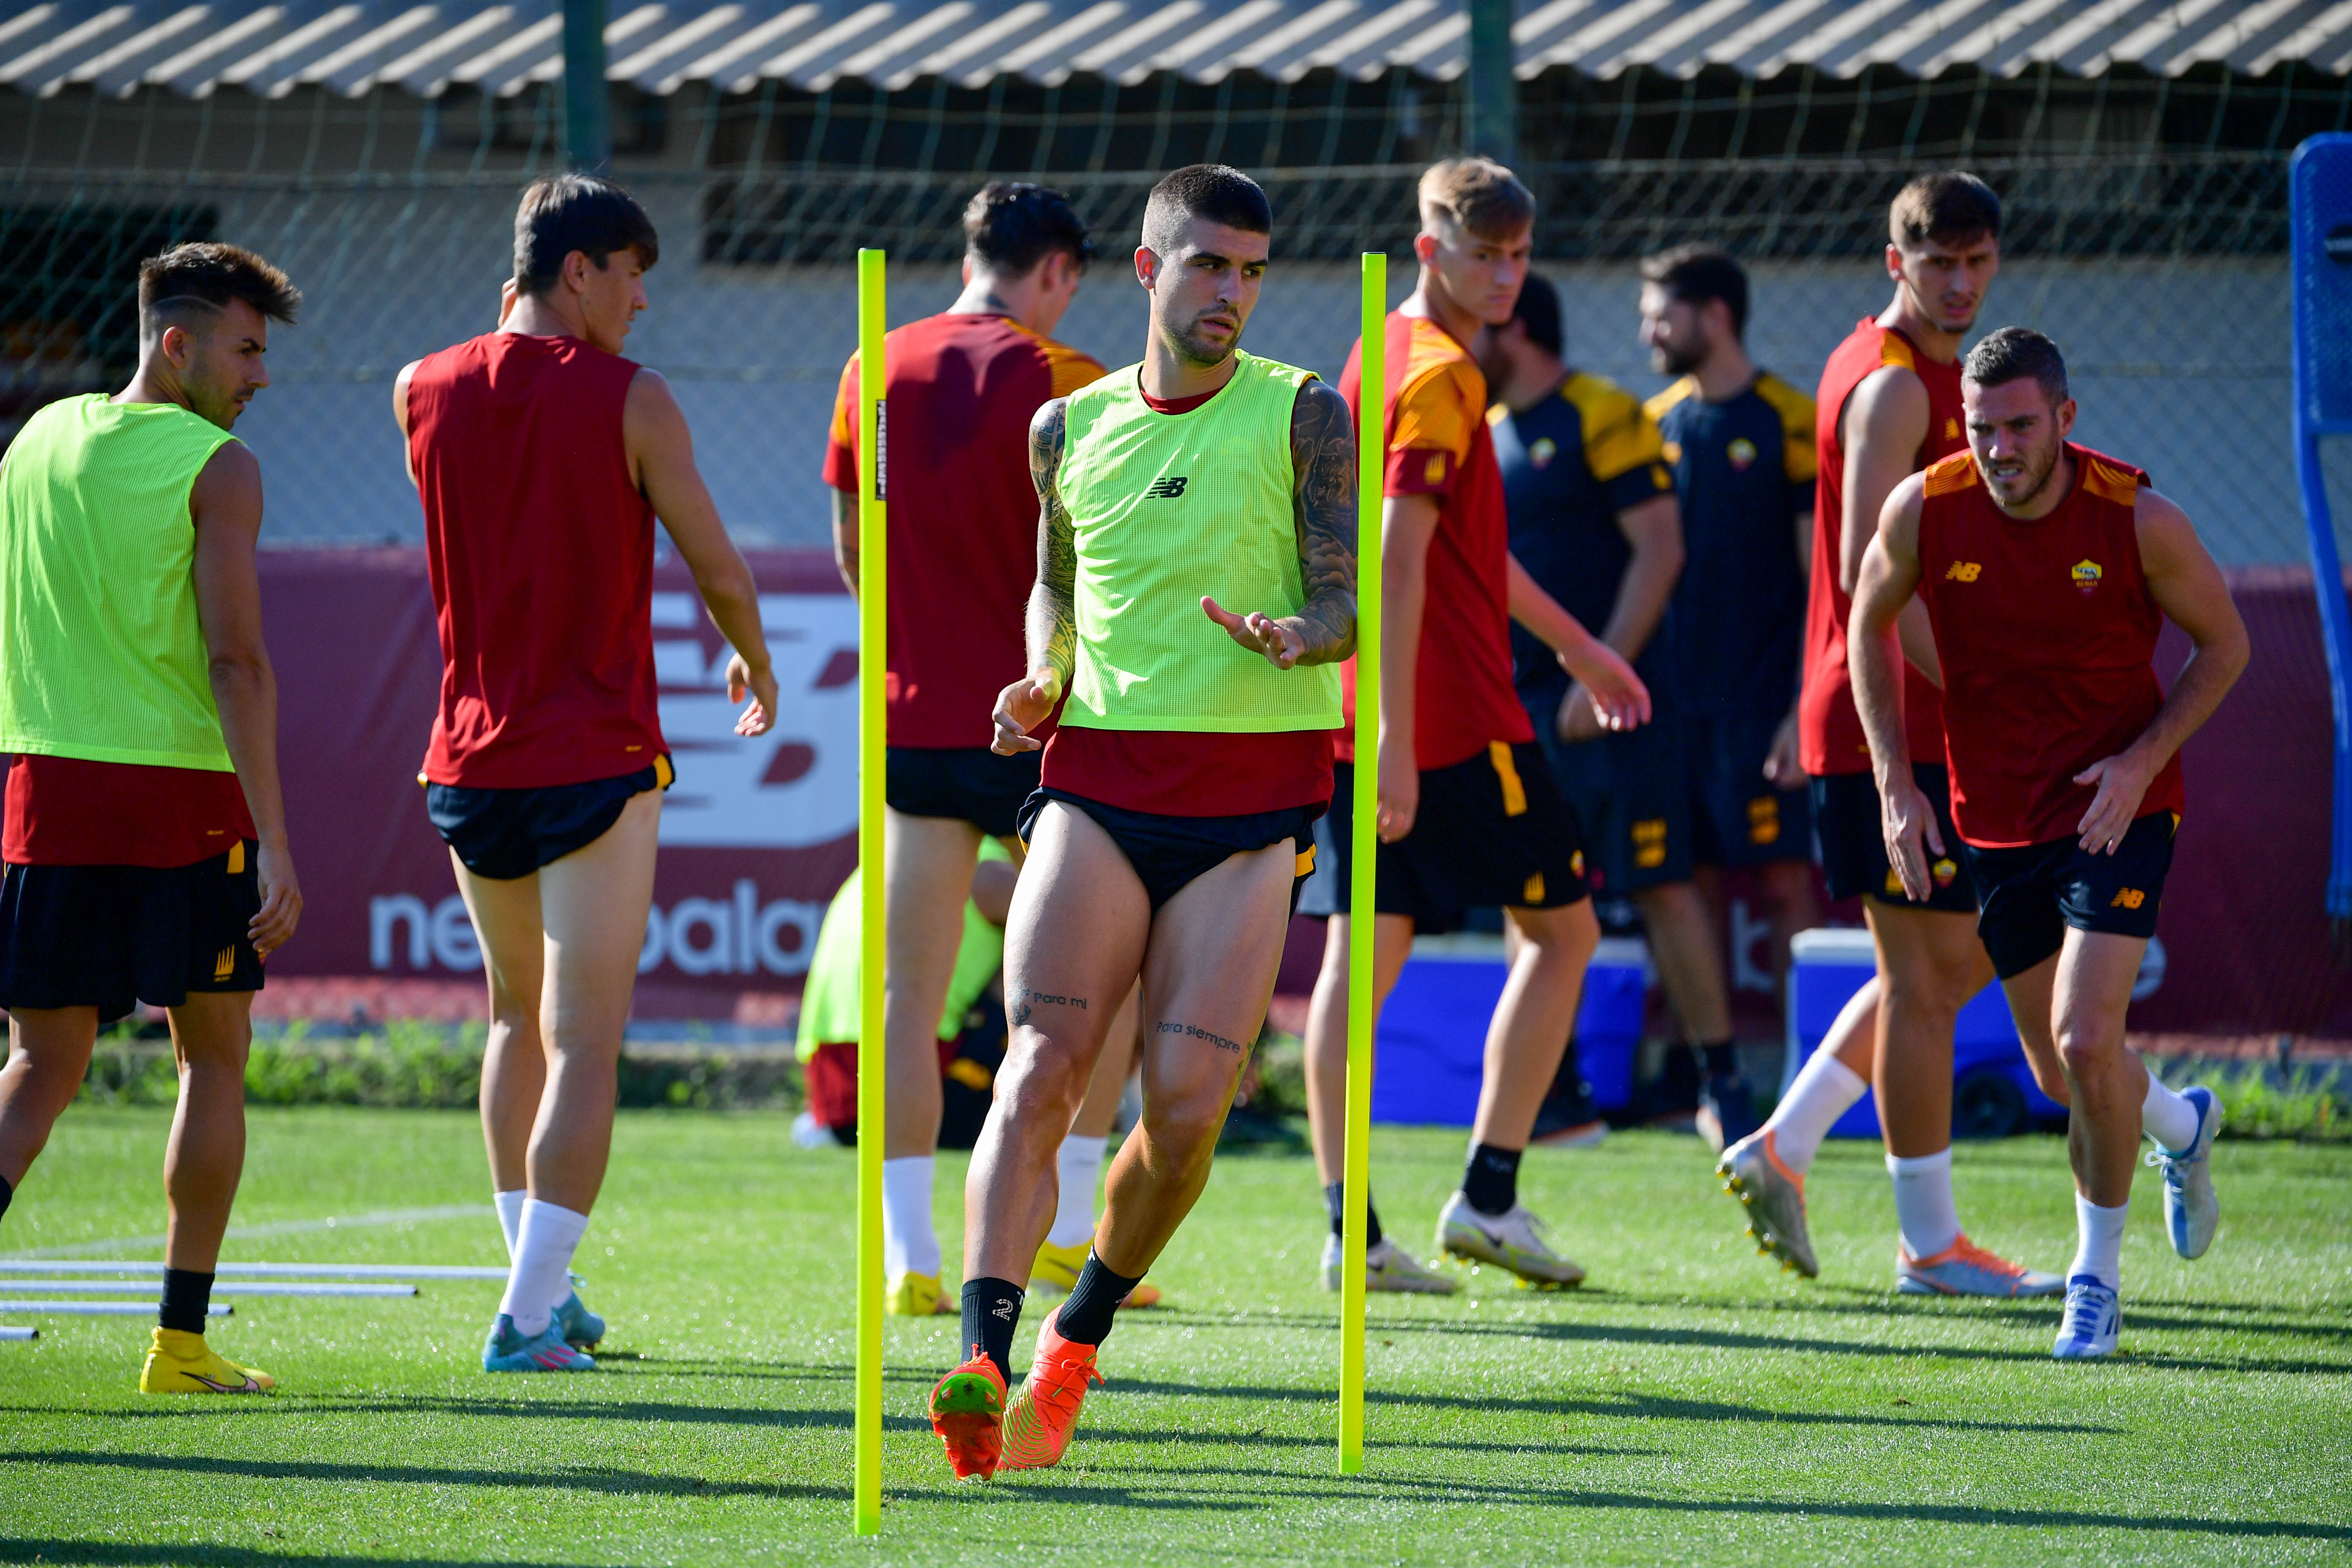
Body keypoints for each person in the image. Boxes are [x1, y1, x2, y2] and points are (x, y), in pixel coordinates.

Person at [927, 163, 1355, 1480]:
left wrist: (1301, 636)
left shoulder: (1305, 417)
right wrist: (1042, 673)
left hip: (1249, 801)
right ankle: (981, 1363)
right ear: (1149, 270)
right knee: (1039, 1069)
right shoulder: (1068, 427)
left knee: (1181, 1115)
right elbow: (1053, 591)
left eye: (1252, 270)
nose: (1232, 291)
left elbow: (1344, 605)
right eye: (1210, 264)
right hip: (1098, 782)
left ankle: (1076, 1337)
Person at [394, 175, 778, 1373]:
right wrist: (756, 662)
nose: (644, 299)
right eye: (630, 273)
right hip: (593, 754)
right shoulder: (632, 398)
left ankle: (540, 1288)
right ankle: (524, 1314)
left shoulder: (418, 386)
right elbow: (716, 564)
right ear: (577, 274)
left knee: (516, 1023)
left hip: (466, 756)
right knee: (588, 1039)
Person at [1851, 326, 2243, 1358]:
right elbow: (1867, 619)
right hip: (1994, 816)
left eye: (2021, 425)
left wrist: (2142, 759)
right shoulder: (1926, 507)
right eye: (1983, 428)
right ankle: (2180, 1126)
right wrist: (1897, 781)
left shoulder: (2139, 518)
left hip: (2120, 807)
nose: (2000, 447)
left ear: (2066, 419)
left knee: (2082, 1035)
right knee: (2066, 1073)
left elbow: (2226, 643)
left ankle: (2095, 1283)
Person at [1301, 158, 1649, 1298]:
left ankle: (1350, 1236)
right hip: (1448, 726)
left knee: (1360, 969)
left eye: (1516, 255)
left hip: (1373, 716)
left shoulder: (1378, 348)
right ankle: (1489, 1197)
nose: (1503, 276)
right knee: (1564, 935)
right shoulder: (1445, 374)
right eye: (1481, 253)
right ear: (1429, 249)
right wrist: (1402, 737)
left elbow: (1455, 551)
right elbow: (1397, 557)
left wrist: (1578, 645)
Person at [1721, 173, 2059, 1293]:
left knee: (1949, 963)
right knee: (1928, 980)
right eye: (1937, 262)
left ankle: (1789, 1139)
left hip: (1892, 719)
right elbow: (1879, 576)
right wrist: (1974, 694)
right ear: (1894, 261)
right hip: (1894, 724)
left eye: (1977, 261)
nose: (1959, 284)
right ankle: (1926, 1242)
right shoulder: (1899, 391)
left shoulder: (1877, 362)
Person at [0, 242, 302, 1394]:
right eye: (245, 349)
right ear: (175, 346)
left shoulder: (34, 442)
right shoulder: (217, 467)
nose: (259, 376)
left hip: (46, 790)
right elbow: (237, 663)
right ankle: (179, 1343)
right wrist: (275, 836)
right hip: (179, 793)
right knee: (212, 1061)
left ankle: (184, 1343)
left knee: (38, 1065)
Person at [822, 182, 1118, 1319]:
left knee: (905, 995)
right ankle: (1072, 1227)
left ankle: (910, 1256)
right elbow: (1095, 566)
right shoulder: (1072, 379)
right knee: (1093, 990)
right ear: (1058, 271)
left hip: (912, 720)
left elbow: (856, 552)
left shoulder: (872, 366)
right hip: (1039, 721)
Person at [1486, 270, 1747, 1145]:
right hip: (1525, 712)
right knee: (1535, 899)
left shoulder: (1603, 411)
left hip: (1620, 706)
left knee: (1662, 882)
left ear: (1513, 325)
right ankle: (1553, 1093)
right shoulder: (1487, 430)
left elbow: (1659, 549)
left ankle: (1723, 1084)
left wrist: (1603, 670)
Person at [1637, 245, 1823, 1150]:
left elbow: (1818, 582)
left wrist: (1801, 705)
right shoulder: (1652, 424)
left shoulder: (1792, 422)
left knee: (1787, 881)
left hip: (1763, 705)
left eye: (1661, 314)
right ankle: (1703, 1074)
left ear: (1714, 315)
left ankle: (1810, 1068)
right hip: (1675, 707)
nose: (1648, 331)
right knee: (1689, 882)